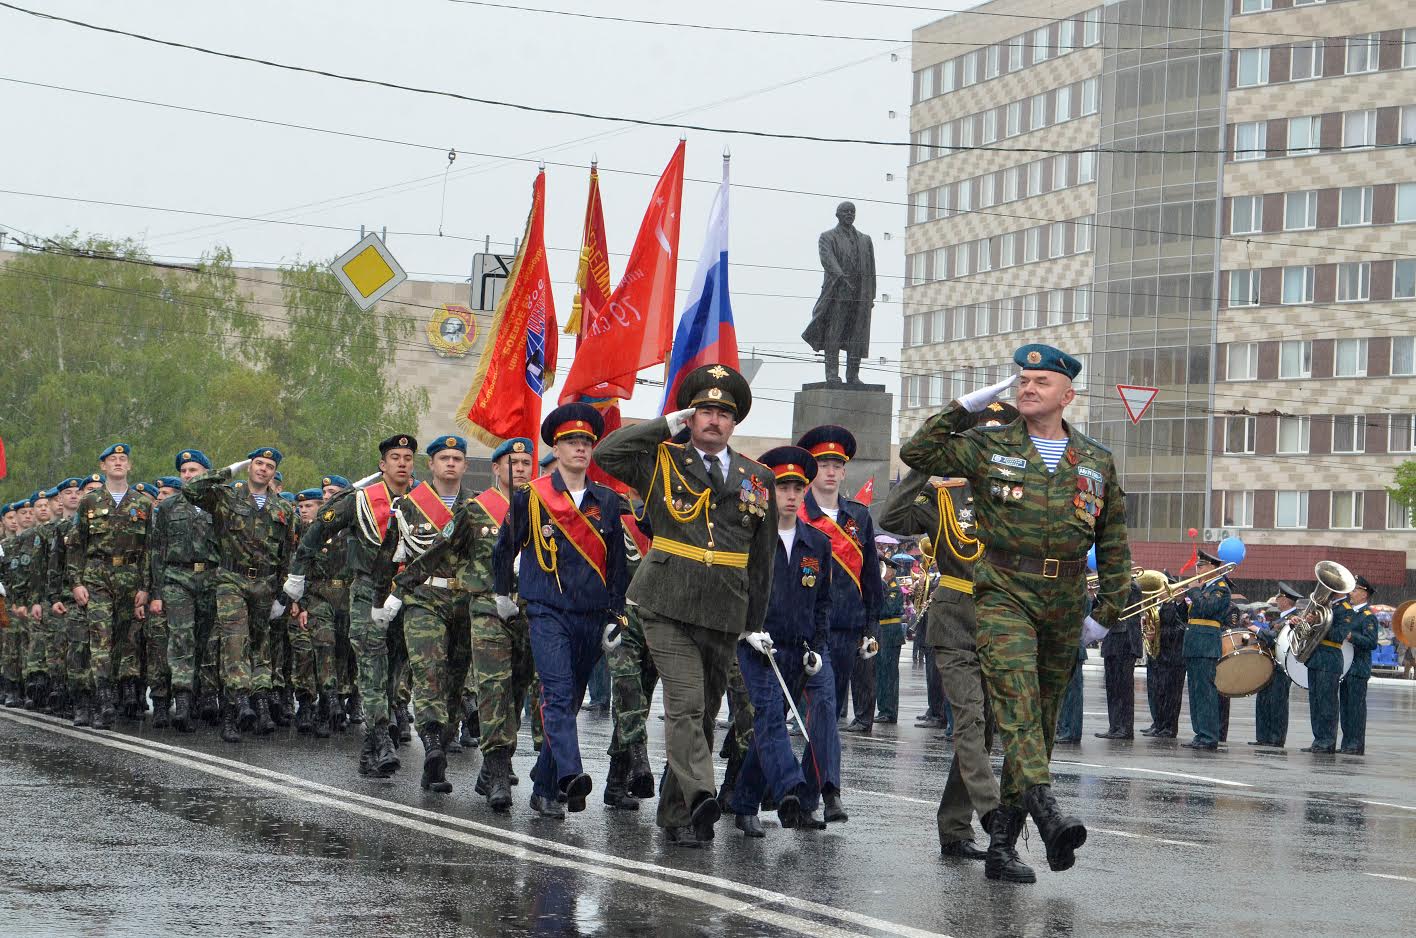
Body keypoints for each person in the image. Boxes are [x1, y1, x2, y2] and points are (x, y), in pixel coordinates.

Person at [899, 343, 1132, 879]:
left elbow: (1115, 541)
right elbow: (919, 452)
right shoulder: (985, 444)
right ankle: (1048, 816)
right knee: (1018, 702)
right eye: (1023, 380)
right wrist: (965, 406)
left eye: (1041, 381)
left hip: (1065, 599)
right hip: (1004, 589)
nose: (1028, 387)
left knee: (1042, 721)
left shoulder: (1095, 460)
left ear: (1067, 395)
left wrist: (1108, 613)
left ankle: (1002, 848)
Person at [593, 364, 777, 848]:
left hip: (724, 611)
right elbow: (607, 453)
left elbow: (762, 559)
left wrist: (753, 623)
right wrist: (664, 425)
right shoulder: (660, 459)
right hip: (667, 602)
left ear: (734, 422)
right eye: (705, 412)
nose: (714, 420)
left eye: (723, 413)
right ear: (690, 418)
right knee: (686, 704)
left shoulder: (757, 477)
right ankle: (702, 793)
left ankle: (678, 815)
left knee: (704, 714)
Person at [881, 402, 1035, 882]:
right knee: (968, 721)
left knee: (984, 730)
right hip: (954, 618)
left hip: (1003, 620)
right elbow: (893, 516)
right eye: (981, 437)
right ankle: (995, 820)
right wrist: (923, 466)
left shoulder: (1023, 497)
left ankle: (954, 828)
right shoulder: (944, 497)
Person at [493, 404, 628, 820]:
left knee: (568, 704)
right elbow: (504, 550)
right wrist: (503, 594)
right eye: (572, 441)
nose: (580, 449)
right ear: (557, 445)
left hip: (591, 615)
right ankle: (572, 776)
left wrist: (615, 617)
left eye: (586, 442)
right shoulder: (532, 497)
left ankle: (544, 785)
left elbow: (618, 567)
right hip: (547, 611)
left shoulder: (608, 501)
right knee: (556, 693)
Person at [287, 435, 416, 774]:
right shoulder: (360, 501)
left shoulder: (421, 502)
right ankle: (382, 738)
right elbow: (318, 529)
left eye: (407, 457)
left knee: (394, 671)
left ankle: (370, 750)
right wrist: (298, 574)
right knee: (372, 666)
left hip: (404, 597)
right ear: (382, 465)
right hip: (366, 592)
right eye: (395, 457)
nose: (402, 462)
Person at [727, 445, 835, 837]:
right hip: (756, 646)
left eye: (797, 488)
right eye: (783, 487)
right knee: (770, 716)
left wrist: (816, 647)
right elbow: (734, 588)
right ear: (768, 491)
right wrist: (745, 628)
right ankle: (791, 788)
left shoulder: (817, 543)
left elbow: (822, 600)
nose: (790, 495)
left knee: (769, 727)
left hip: (796, 650)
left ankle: (743, 805)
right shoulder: (749, 537)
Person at [372, 434, 479, 793]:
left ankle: (438, 760)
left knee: (454, 681)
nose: (450, 463)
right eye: (443, 458)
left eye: (457, 458)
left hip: (464, 601)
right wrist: (381, 601)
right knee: (428, 669)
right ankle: (432, 740)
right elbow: (389, 557)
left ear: (464, 465)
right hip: (423, 598)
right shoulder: (408, 506)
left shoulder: (479, 507)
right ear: (430, 465)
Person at [185, 447, 298, 742]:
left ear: (274, 473)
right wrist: (230, 467)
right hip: (231, 579)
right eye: (258, 463)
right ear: (250, 467)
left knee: (261, 646)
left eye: (269, 466)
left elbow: (289, 555)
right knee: (234, 642)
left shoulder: (283, 510)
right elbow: (192, 489)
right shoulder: (227, 497)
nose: (262, 469)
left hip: (266, 584)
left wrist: (284, 596)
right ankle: (234, 709)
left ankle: (258, 704)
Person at [796, 425, 883, 745]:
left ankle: (816, 786)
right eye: (822, 465)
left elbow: (871, 577)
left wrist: (872, 626)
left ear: (845, 472)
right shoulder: (798, 514)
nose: (830, 472)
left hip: (845, 627)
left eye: (837, 466)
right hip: (801, 627)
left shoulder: (858, 518)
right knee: (789, 709)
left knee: (827, 716)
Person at [66, 444, 155, 730]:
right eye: (112, 460)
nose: (118, 463)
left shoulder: (142, 504)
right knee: (99, 639)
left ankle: (107, 692)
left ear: (129, 467)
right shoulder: (89, 501)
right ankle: (102, 700)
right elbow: (76, 545)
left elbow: (150, 549)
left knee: (121, 640)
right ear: (103, 467)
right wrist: (77, 582)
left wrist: (145, 586)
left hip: (130, 578)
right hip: (97, 576)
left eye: (123, 459)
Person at [1182, 550, 1230, 751]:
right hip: (1194, 643)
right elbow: (1189, 615)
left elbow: (1206, 609)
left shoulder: (1220, 589)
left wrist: (1193, 591)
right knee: (1195, 692)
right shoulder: (1204, 589)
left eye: (1201, 566)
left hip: (1206, 645)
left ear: (1213, 567)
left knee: (1205, 692)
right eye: (1197, 565)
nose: (1197, 569)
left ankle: (1209, 736)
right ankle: (1200, 733)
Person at [1249, 583, 1301, 747]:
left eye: (1279, 597)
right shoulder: (1280, 618)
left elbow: (1275, 637)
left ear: (1285, 600)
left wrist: (1255, 629)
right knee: (1263, 701)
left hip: (1282, 666)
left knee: (1277, 702)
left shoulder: (1294, 618)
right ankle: (1263, 736)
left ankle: (1276, 738)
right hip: (1269, 664)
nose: (1277, 600)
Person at [1096, 582, 1143, 739]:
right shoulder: (1109, 587)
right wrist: (1098, 594)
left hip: (1126, 640)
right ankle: (1114, 726)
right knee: (1112, 687)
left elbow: (1127, 607)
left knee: (1124, 688)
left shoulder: (1133, 587)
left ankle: (1126, 728)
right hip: (1111, 640)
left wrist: (1108, 590)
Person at [1338, 575, 1379, 755]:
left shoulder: (1368, 617)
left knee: (1356, 708)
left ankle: (1355, 744)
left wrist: (1351, 636)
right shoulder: (1349, 613)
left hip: (1358, 668)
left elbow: (1371, 642)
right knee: (1346, 708)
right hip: (1346, 668)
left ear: (1364, 594)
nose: (1351, 594)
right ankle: (1347, 743)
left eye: (1355, 590)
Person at [1141, 585, 1186, 740]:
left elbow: (1179, 630)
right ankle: (1160, 725)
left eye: (1160, 589)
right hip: (1162, 658)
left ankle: (1168, 727)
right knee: (1160, 694)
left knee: (1171, 696)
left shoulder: (1172, 607)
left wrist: (1157, 635)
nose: (1157, 592)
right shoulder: (1161, 607)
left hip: (1173, 659)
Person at [875, 557, 910, 724]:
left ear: (891, 570)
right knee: (881, 674)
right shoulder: (886, 587)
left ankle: (889, 712)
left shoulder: (894, 588)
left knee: (889, 675)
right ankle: (883, 709)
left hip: (890, 633)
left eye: (884, 568)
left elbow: (886, 609)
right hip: (883, 633)